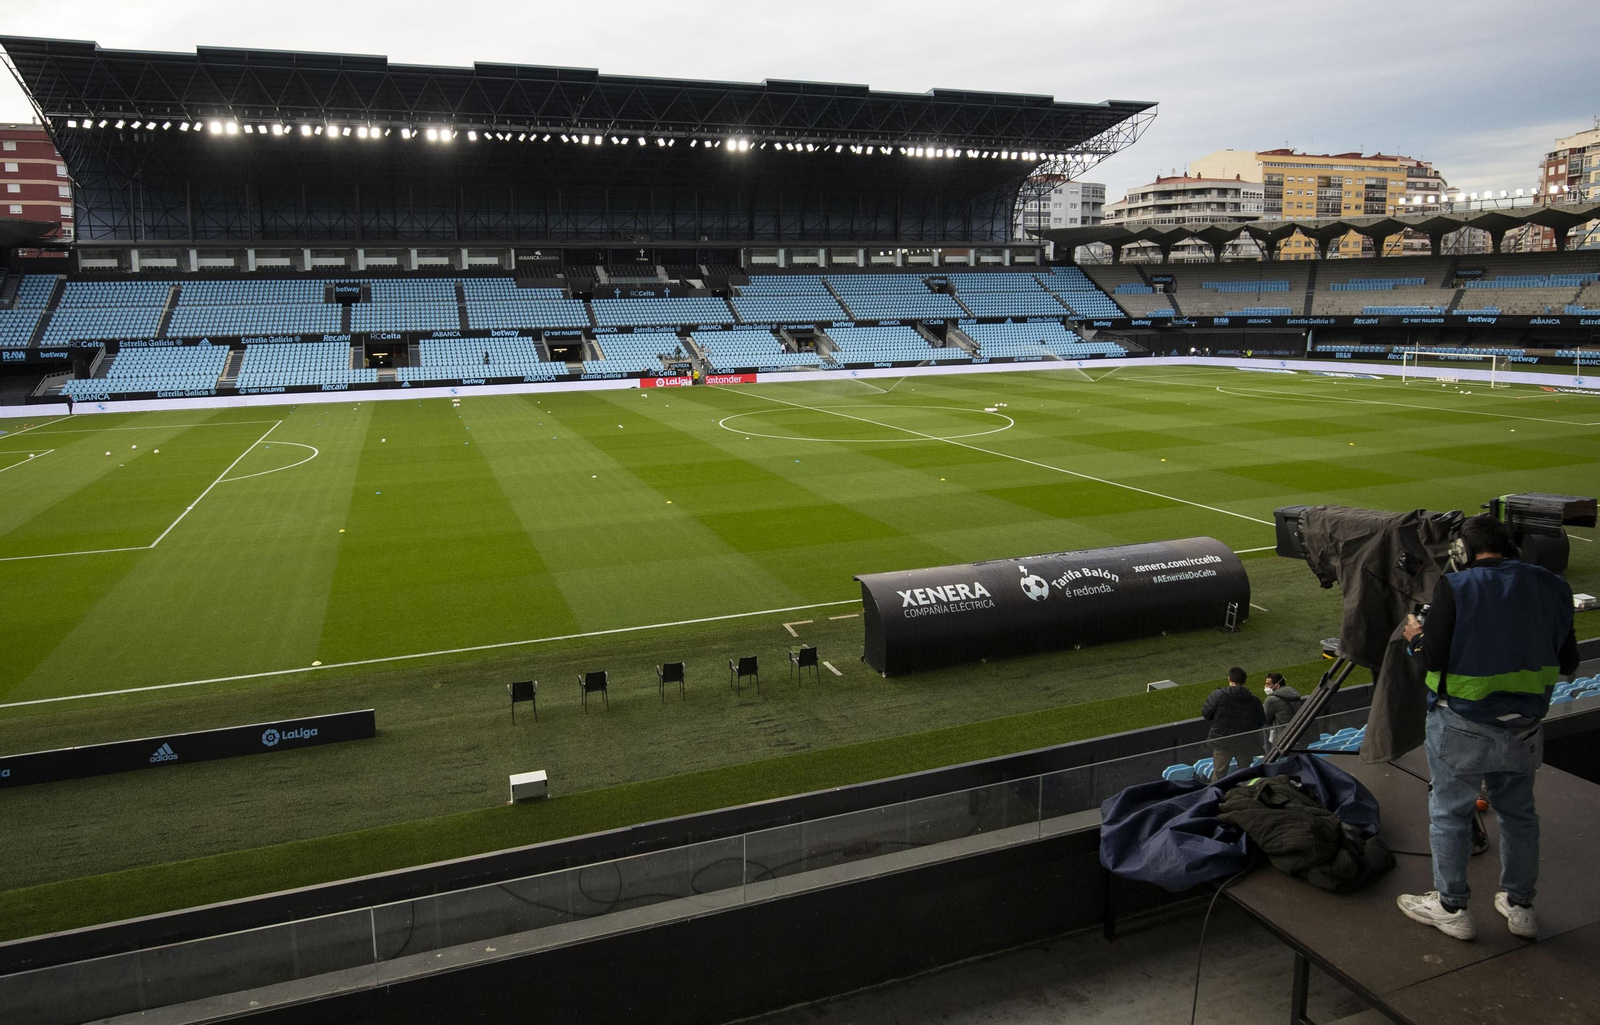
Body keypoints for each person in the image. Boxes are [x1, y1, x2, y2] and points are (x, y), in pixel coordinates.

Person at [1396, 514, 1578, 941]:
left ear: (1462, 553)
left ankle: (1451, 907)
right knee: (1519, 815)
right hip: (1526, 726)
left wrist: (1415, 638)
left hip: (1461, 724)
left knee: (1449, 814)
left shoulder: (1456, 586)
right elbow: (1569, 662)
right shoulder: (1554, 585)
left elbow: (1433, 657)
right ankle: (1520, 906)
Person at [1201, 667, 1266, 782]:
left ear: (1229, 679)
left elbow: (1206, 713)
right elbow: (1261, 721)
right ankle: (1246, 796)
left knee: (1219, 774)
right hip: (1245, 743)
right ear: (1244, 681)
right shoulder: (1254, 700)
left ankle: (1215, 796)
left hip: (1223, 742)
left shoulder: (1218, 695)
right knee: (1245, 774)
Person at [1261, 672, 1303, 747]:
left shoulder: (1271, 700)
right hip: (1300, 734)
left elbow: (1265, 720)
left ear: (1277, 686)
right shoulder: (1293, 693)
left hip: (1283, 738)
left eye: (1268, 684)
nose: (1265, 686)